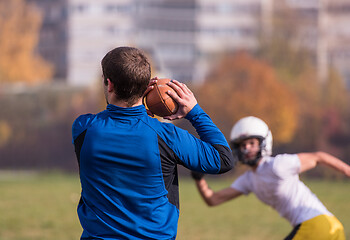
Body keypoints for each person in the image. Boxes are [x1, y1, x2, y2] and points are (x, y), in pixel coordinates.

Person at [72, 46, 235, 240]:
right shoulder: (166, 136)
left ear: (109, 84)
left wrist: (141, 112)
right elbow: (223, 159)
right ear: (145, 85)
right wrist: (195, 112)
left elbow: (121, 125)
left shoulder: (82, 128)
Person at [192, 116, 350, 240]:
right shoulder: (248, 180)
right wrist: (199, 178)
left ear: (264, 143)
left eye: (252, 143)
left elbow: (318, 157)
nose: (246, 148)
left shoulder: (277, 165)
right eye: (242, 145)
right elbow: (213, 199)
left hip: (317, 224)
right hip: (332, 228)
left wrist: (347, 170)